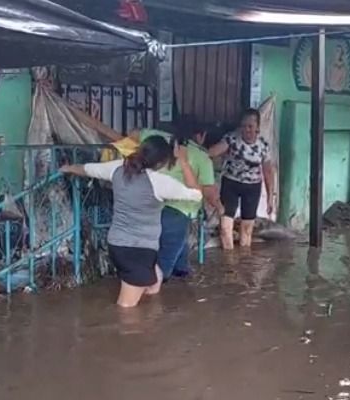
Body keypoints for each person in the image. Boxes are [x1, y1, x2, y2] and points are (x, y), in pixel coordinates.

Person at [60, 136, 202, 307]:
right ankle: (121, 331)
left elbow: (87, 169)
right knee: (126, 309)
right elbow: (196, 194)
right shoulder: (159, 182)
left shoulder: (118, 169)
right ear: (162, 162)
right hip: (138, 250)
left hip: (119, 244)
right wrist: (184, 162)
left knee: (155, 282)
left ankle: (149, 322)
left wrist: (67, 168)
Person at [145, 122, 221, 281]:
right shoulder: (202, 157)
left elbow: (131, 135)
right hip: (178, 212)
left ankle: (181, 272)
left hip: (152, 206)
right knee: (162, 268)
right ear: (202, 136)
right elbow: (208, 193)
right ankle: (149, 293)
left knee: (178, 257)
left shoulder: (161, 142)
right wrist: (220, 207)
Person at [209, 109, 275, 250]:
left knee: (247, 229)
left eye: (250, 126)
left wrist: (270, 197)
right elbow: (215, 151)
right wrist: (200, 153)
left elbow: (268, 172)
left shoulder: (263, 146)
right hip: (230, 184)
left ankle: (245, 263)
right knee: (226, 226)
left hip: (252, 188)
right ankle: (229, 263)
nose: (246, 129)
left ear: (258, 127)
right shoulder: (231, 138)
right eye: (244, 126)